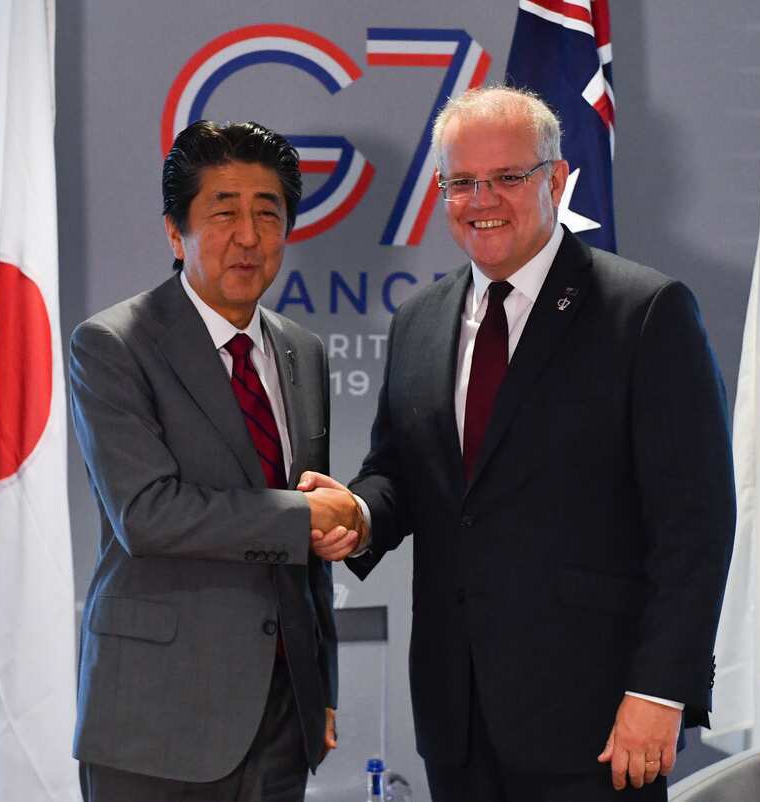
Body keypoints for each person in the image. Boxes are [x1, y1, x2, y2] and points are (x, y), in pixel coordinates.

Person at [303, 86, 736, 800]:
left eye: (508, 177)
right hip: (455, 716)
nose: (484, 199)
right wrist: (359, 514)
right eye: (463, 182)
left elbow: (697, 523)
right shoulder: (419, 320)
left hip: (599, 721)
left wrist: (660, 693)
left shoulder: (645, 313)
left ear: (557, 180)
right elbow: (402, 472)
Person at [69, 120, 363, 801]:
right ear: (176, 232)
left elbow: (305, 549)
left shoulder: (303, 351)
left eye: (269, 213)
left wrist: (321, 684)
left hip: (284, 717)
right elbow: (146, 514)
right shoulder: (115, 344)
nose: (249, 235)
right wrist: (303, 516)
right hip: (156, 720)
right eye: (223, 212)